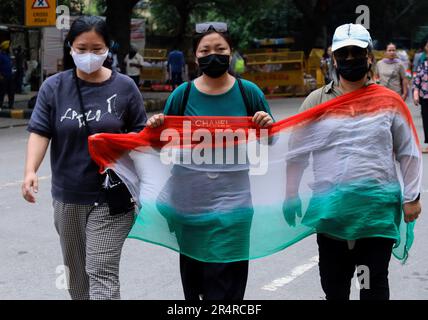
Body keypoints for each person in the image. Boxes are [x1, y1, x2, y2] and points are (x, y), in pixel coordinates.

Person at [288, 23, 422, 300]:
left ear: (369, 56)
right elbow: (295, 151)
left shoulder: (389, 101)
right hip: (331, 214)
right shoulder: (316, 101)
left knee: (373, 287)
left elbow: (408, 151)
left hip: (375, 214)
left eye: (357, 53)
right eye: (343, 54)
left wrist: (412, 197)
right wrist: (290, 194)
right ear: (333, 58)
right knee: (334, 288)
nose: (350, 59)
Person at [21, 16, 147, 300]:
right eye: (82, 48)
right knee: (77, 276)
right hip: (69, 196)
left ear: (107, 49)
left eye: (96, 48)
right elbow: (40, 131)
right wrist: (30, 170)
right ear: (70, 48)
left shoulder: (125, 87)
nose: (89, 55)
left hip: (114, 196)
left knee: (101, 269)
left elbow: (141, 136)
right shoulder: (54, 87)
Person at [146, 22, 273, 300]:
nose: (213, 55)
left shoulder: (248, 92)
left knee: (227, 287)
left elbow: (272, 142)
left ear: (231, 53)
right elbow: (161, 146)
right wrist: (155, 128)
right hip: (189, 205)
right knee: (195, 284)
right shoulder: (183, 95)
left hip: (235, 206)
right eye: (205, 50)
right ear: (195, 56)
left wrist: (267, 126)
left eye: (220, 49)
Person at [413, 41, 428, 153]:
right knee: (426, 120)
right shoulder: (423, 63)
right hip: (425, 96)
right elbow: (417, 80)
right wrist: (415, 94)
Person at [0, 40, 15, 109]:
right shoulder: (1, 56)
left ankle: (11, 105)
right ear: (6, 48)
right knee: (2, 92)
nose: (10, 48)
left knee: (11, 91)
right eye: (9, 47)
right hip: (3, 77)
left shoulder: (8, 55)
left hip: (10, 76)